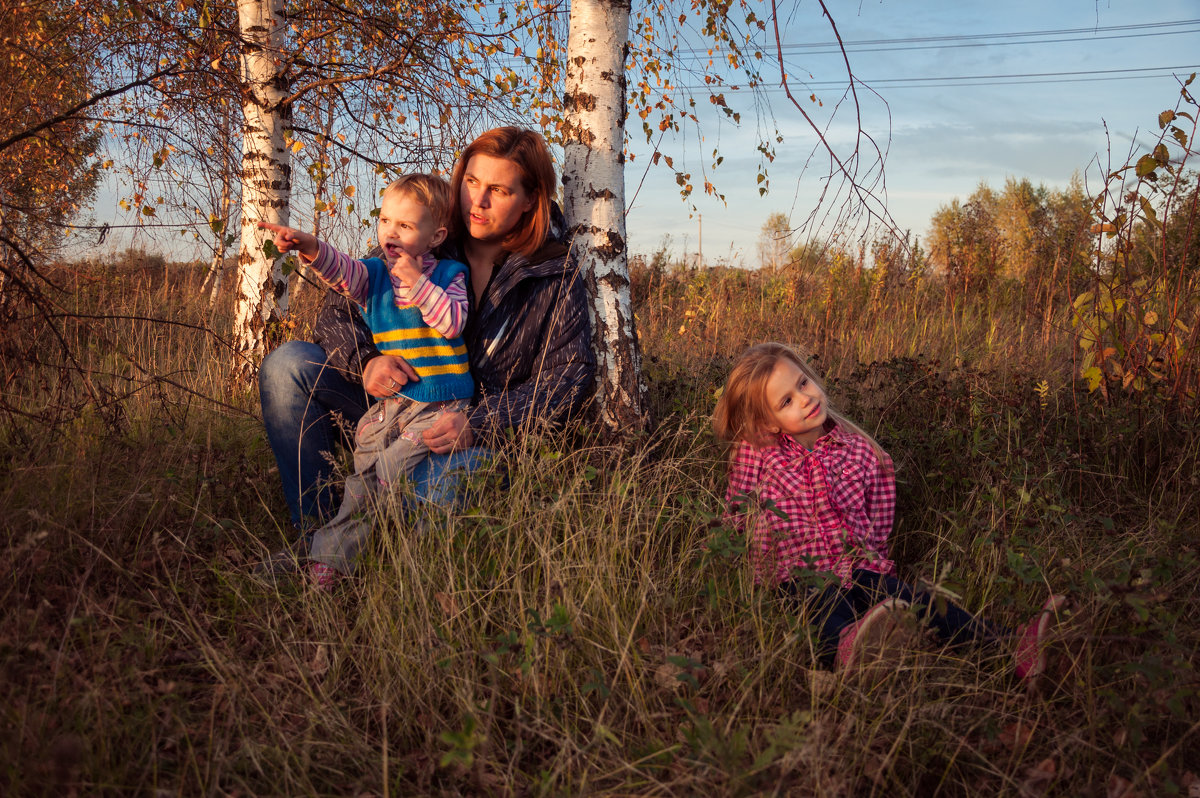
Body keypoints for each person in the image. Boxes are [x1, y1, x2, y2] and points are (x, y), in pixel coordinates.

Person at [257, 127, 595, 577]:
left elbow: (567, 378)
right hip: (391, 405)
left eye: (498, 190)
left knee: (435, 494)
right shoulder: (421, 232)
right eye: (472, 183)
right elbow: (337, 312)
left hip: (466, 432)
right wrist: (366, 363)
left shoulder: (552, 272)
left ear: (531, 199)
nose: (477, 202)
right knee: (288, 366)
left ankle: (388, 561)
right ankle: (317, 538)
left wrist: (478, 422)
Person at [712, 342, 1066, 678]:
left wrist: (875, 567)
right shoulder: (758, 452)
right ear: (768, 423)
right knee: (821, 607)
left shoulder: (863, 454)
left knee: (919, 602)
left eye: (803, 383)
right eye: (787, 401)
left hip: (857, 568)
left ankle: (1012, 646)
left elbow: (877, 527)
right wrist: (734, 564)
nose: (805, 399)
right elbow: (737, 512)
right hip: (798, 577)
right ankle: (850, 654)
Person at [257, 174, 472, 586]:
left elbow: (452, 322)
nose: (390, 233)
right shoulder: (374, 275)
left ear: (435, 235)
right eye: (385, 220)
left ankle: (395, 561)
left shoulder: (448, 275)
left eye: (405, 226)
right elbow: (342, 271)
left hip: (440, 404)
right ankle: (331, 552)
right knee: (364, 472)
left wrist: (419, 285)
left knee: (387, 469)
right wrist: (310, 247)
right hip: (395, 404)